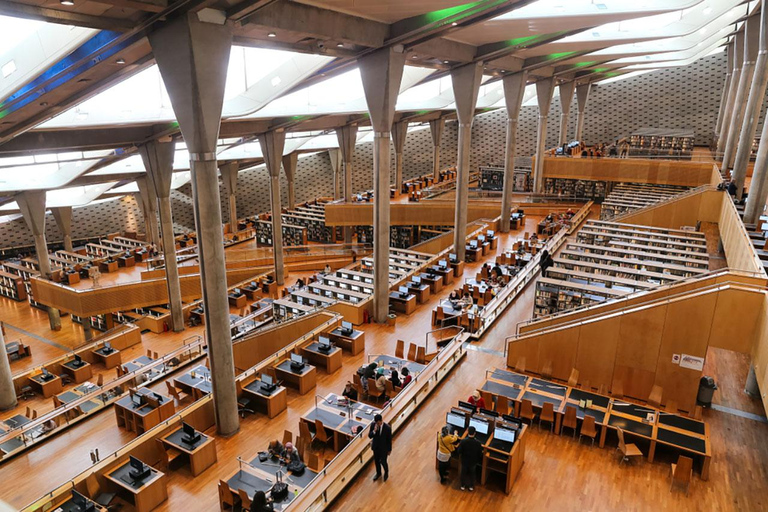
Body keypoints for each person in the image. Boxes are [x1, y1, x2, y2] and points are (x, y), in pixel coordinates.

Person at [456, 426, 483, 491]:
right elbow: (480, 454)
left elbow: (459, 451)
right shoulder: (478, 443)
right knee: (472, 473)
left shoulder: (463, 441)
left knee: (463, 473)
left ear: (467, 432)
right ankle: (471, 486)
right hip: (473, 461)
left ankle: (462, 485)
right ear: (475, 433)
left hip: (464, 461)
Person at [368, 413, 392, 482]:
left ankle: (386, 472)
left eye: (378, 423)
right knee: (376, 462)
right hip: (376, 447)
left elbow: (389, 440)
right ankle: (378, 473)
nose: (377, 424)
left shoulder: (387, 428)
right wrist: (374, 431)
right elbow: (370, 436)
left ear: (381, 421)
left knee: (383, 462)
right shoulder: (373, 425)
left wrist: (389, 450)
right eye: (376, 423)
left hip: (384, 449)